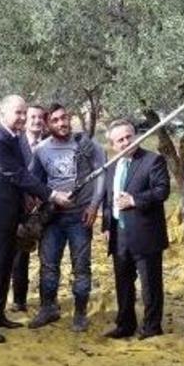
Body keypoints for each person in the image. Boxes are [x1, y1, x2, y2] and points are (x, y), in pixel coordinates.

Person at [0, 95, 69, 343]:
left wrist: (28, 198)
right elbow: (17, 174)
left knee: (3, 266)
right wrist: (51, 195)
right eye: (18, 113)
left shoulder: (13, 138)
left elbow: (20, 177)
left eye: (25, 113)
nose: (23, 117)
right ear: (2, 114)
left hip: (7, 214)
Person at [27, 104, 105, 330]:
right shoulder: (41, 150)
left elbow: (100, 174)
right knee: (48, 266)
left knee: (81, 267)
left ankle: (80, 314)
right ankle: (48, 308)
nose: (62, 124)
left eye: (64, 118)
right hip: (52, 219)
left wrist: (94, 205)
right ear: (47, 124)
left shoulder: (86, 145)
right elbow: (34, 181)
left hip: (80, 217)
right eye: (56, 120)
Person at [100, 119, 170, 339]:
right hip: (119, 235)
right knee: (123, 282)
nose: (126, 142)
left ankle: (151, 327)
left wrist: (134, 200)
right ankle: (125, 325)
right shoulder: (111, 166)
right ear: (112, 144)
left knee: (150, 285)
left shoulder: (153, 161)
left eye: (129, 136)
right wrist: (106, 226)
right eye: (120, 140)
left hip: (145, 233)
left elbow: (162, 191)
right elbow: (108, 199)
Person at [10, 103, 48, 311]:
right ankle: (19, 300)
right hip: (20, 207)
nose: (36, 121)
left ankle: (47, 301)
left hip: (45, 207)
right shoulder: (15, 143)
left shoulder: (50, 143)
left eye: (40, 117)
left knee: (47, 254)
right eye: (32, 117)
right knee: (20, 256)